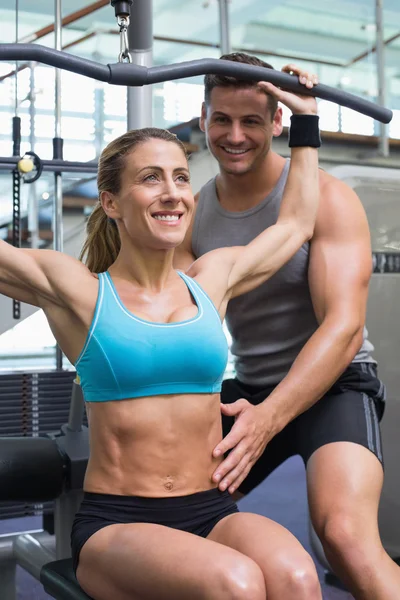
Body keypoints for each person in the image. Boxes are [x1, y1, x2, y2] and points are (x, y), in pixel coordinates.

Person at [0, 82, 322, 599]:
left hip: (210, 508)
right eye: (150, 179)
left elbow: (297, 224)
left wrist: (305, 123)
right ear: (111, 202)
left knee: (297, 577)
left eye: (179, 176)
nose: (173, 192)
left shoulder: (211, 279)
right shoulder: (80, 293)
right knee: (235, 583)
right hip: (119, 521)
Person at [175, 53, 400, 599]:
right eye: (221, 119)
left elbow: (344, 328)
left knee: (344, 538)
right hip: (250, 389)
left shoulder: (329, 198)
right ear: (202, 117)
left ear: (278, 122)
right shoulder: (194, 211)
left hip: (335, 384)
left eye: (251, 121)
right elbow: (182, 323)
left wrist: (269, 419)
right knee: (173, 511)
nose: (234, 135)